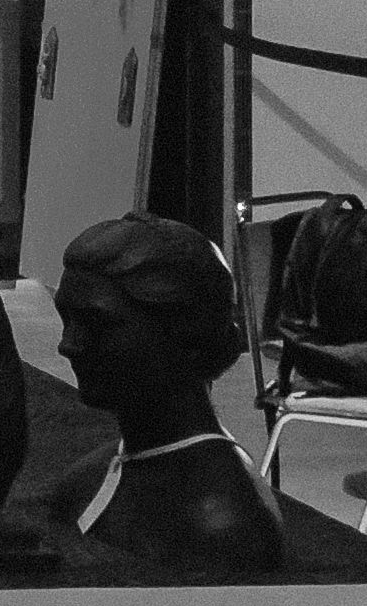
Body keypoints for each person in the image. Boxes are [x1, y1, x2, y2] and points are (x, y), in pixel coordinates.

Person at [49, 215, 288, 579]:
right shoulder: (89, 479)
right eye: (66, 319)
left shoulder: (222, 525)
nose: (67, 345)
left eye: (97, 324)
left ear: (185, 335)